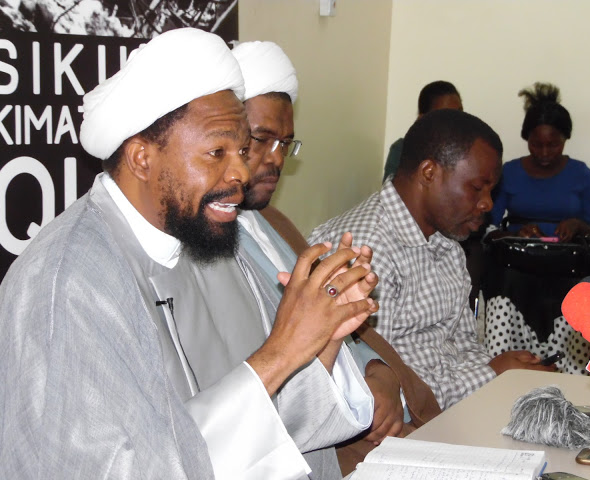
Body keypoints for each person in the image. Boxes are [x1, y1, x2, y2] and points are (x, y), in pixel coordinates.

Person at [0, 28, 379, 480]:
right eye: (217, 151)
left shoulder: (215, 242)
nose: (241, 172)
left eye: (242, 149)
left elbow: (273, 422)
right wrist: (282, 351)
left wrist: (323, 334)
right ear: (142, 158)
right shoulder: (63, 284)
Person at [231, 41, 442, 475]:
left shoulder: (273, 221)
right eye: (262, 139)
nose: (276, 158)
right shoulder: (201, 245)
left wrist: (380, 372)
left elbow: (339, 330)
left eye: (285, 143)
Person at [310, 109, 556, 412]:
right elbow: (378, 388)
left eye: (491, 191)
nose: (487, 204)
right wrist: (493, 374)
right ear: (429, 173)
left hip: (453, 411)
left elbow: (464, 347)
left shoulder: (447, 244)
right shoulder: (367, 251)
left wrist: (504, 376)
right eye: (477, 188)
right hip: (404, 426)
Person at [483, 82, 590, 374]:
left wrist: (579, 226)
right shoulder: (509, 172)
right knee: (502, 285)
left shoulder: (581, 174)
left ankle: (569, 375)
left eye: (553, 144)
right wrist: (515, 234)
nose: (544, 152)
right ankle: (508, 369)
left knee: (581, 292)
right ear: (526, 139)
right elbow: (488, 228)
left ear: (565, 139)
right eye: (536, 144)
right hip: (518, 264)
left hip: (568, 265)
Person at [383, 80, 462, 182]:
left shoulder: (468, 152)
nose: (455, 121)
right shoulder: (402, 150)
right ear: (423, 119)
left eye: (459, 113)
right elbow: (392, 190)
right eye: (445, 116)